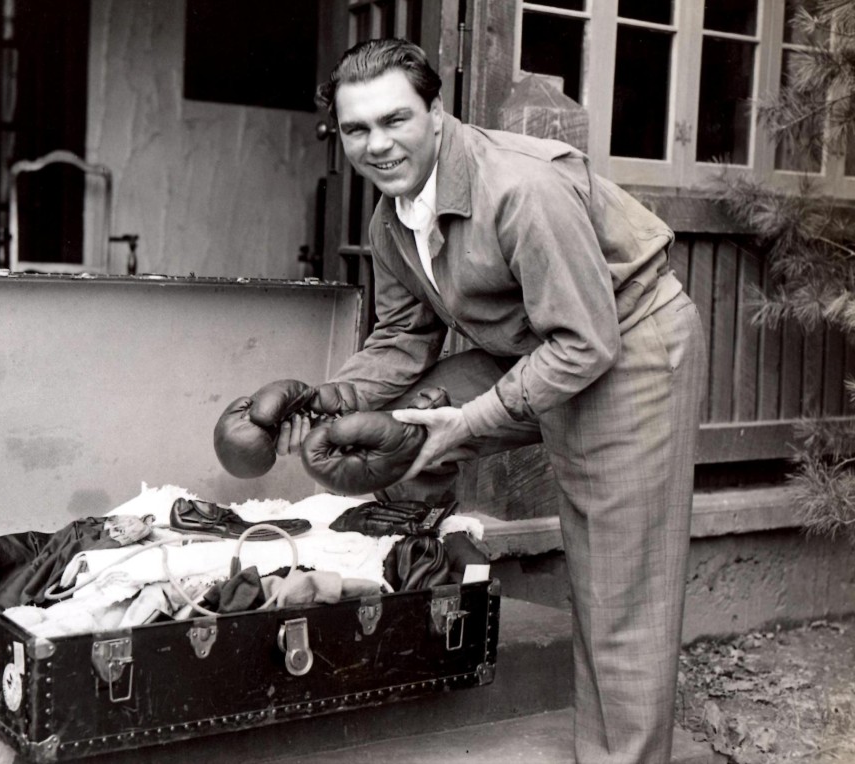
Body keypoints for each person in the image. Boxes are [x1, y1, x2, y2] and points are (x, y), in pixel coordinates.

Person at [280, 38, 708, 763]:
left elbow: (585, 344)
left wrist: (472, 421)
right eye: (357, 130)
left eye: (395, 121)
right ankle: (412, 564)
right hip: (536, 343)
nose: (377, 145)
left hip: (627, 345)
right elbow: (400, 337)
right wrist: (321, 399)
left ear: (436, 114)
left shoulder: (520, 189)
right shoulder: (393, 220)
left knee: (616, 590)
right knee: (400, 425)